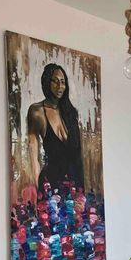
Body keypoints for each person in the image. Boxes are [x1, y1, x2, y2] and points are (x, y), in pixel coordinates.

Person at [27, 64, 84, 202]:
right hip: (51, 183)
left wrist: (81, 189)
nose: (60, 86)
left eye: (63, 82)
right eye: (55, 81)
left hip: (73, 182)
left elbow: (77, 156)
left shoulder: (71, 112)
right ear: (47, 82)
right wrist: (36, 186)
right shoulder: (37, 111)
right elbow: (33, 152)